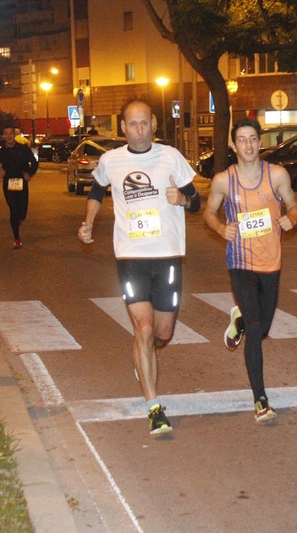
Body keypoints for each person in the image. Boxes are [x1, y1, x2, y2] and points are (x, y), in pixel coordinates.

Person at [78, 98, 198, 435]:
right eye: (133, 124)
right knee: (143, 329)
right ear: (123, 128)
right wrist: (88, 222)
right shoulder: (111, 160)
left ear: (154, 125)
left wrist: (183, 199)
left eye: (145, 123)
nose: (140, 130)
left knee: (162, 333)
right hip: (131, 257)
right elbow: (97, 190)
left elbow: (196, 201)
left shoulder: (171, 156)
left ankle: (143, 358)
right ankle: (153, 407)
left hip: (168, 256)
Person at [203, 117, 297, 423]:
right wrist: (221, 228)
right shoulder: (223, 180)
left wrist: (291, 218)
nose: (248, 145)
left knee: (264, 327)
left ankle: (241, 319)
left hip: (271, 262)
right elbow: (209, 212)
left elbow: (294, 205)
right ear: (234, 146)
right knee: (256, 331)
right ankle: (260, 399)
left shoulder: (277, 175)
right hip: (240, 261)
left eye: (253, 139)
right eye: (241, 139)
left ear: (260, 142)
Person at [0, 127, 39, 249]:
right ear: (4, 136)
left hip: (21, 181)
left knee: (22, 211)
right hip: (8, 182)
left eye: (11, 133)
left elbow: (34, 163)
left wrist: (29, 173)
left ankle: (19, 219)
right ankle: (17, 238)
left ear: (14, 135)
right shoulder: (1, 151)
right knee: (13, 209)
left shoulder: (23, 149)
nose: (9, 136)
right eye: (6, 134)